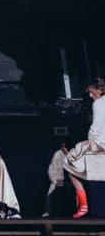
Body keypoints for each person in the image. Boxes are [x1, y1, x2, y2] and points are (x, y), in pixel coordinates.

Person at [63, 78, 105, 218]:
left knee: (68, 162)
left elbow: (95, 126)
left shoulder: (98, 103)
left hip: (99, 144)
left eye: (91, 92)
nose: (90, 95)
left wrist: (90, 142)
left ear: (99, 90)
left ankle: (83, 203)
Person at [42, 141, 71, 217]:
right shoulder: (58, 154)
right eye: (63, 147)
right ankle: (48, 212)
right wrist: (55, 181)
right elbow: (51, 169)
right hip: (57, 179)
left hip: (68, 181)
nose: (63, 148)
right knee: (50, 194)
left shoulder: (72, 154)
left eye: (65, 147)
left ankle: (67, 212)